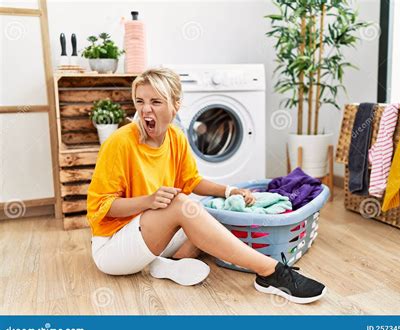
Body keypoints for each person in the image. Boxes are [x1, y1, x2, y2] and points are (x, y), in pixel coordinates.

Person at [86, 68, 327, 304]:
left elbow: (191, 181)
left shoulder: (176, 137)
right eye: (140, 101)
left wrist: (229, 191)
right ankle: (271, 272)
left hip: (149, 235)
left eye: (155, 102)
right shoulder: (119, 142)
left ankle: (161, 265)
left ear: (175, 105)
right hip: (113, 247)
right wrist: (148, 201)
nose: (145, 109)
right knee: (183, 206)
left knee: (211, 214)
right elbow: (101, 207)